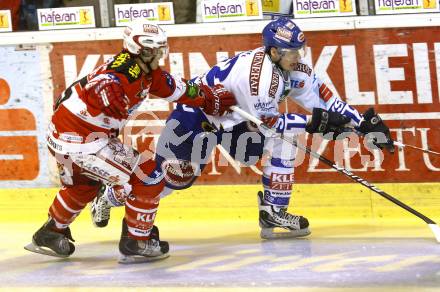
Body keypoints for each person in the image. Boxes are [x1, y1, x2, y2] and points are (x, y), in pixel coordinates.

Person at [90, 17, 394, 240]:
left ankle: (273, 212)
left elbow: (324, 99)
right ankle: (112, 195)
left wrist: (363, 124)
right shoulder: (260, 80)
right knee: (170, 180)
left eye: (300, 50)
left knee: (286, 142)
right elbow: (271, 122)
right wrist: (316, 123)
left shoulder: (292, 67)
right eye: (292, 51)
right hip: (198, 115)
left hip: (236, 122)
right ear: (274, 51)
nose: (298, 57)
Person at [24, 20, 236, 263]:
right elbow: (101, 85)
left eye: (161, 49)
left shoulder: (147, 73)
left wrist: (208, 98)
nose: (159, 55)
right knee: (150, 175)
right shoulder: (118, 76)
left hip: (66, 138)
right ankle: (137, 240)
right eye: (154, 50)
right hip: (82, 143)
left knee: (82, 186)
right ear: (139, 50)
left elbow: (179, 90)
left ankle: (50, 233)